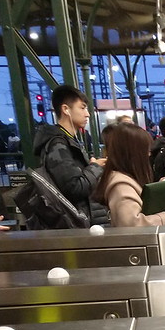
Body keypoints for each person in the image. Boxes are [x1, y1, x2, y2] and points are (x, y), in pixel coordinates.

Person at [32, 84, 109, 226]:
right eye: (82, 107)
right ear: (66, 109)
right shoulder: (57, 144)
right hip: (76, 224)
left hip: (82, 221)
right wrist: (95, 167)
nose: (87, 114)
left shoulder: (68, 140)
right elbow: (74, 187)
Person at [93, 122, 165, 227]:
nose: (148, 154)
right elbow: (132, 224)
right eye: (145, 150)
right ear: (133, 152)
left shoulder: (123, 177)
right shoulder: (121, 185)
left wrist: (158, 190)